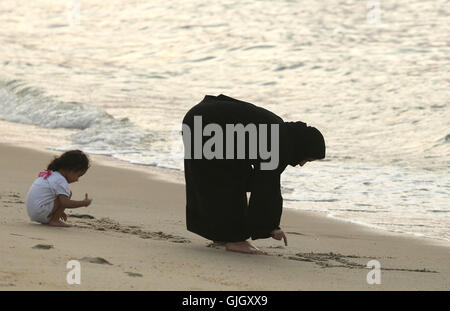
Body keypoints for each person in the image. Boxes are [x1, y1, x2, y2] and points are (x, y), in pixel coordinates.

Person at [182, 94, 325, 255]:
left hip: (198, 118)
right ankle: (235, 240)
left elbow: (261, 182)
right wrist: (271, 227)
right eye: (307, 159)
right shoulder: (279, 141)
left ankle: (223, 235)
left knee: (220, 178)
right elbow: (267, 188)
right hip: (209, 123)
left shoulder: (278, 131)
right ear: (303, 147)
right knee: (229, 178)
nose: (301, 164)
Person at [26, 150, 93, 227]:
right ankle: (55, 220)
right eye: (78, 175)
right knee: (67, 194)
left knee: (63, 194)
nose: (77, 180)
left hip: (33, 213)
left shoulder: (51, 174)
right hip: (41, 213)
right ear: (70, 169)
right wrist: (83, 203)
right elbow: (65, 203)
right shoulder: (61, 181)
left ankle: (53, 217)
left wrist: (58, 211)